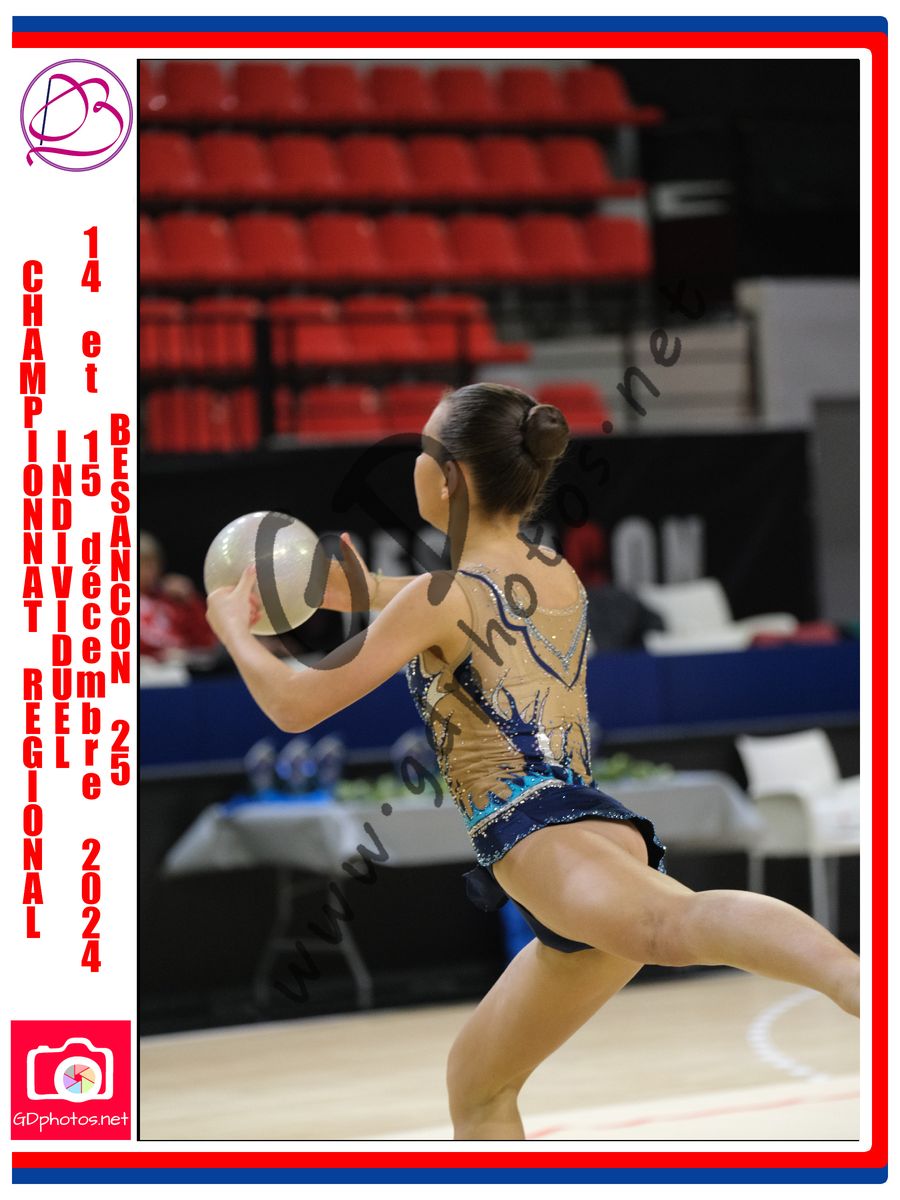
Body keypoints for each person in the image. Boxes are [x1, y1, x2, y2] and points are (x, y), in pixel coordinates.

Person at [205, 382, 861, 1141]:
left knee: (672, 922)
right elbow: (450, 602)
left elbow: (295, 703)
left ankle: (861, 982)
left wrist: (235, 631)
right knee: (478, 1085)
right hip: (581, 834)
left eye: (421, 449)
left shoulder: (440, 596)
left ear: (448, 477)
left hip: (544, 839)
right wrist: (366, 588)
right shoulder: (551, 571)